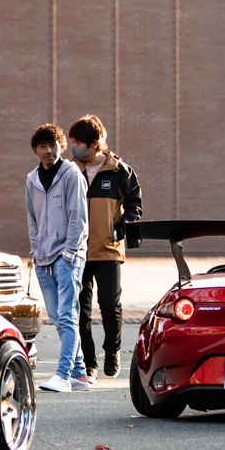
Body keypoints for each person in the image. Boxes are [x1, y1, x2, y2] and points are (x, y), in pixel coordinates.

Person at [68, 115, 142, 378]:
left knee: (110, 304)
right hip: (76, 251)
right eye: (73, 142)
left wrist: (121, 226)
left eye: (78, 142)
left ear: (95, 143)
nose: (74, 147)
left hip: (108, 249)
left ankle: (112, 352)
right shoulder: (69, 170)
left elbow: (134, 206)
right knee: (80, 309)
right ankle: (89, 363)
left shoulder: (120, 171)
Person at [26, 123, 90, 392]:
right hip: (42, 258)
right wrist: (35, 250)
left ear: (61, 146)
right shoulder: (32, 179)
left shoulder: (71, 174)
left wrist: (69, 253)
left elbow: (78, 217)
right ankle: (79, 374)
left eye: (53, 145)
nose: (48, 151)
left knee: (66, 315)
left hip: (68, 257)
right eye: (43, 146)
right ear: (36, 150)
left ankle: (63, 375)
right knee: (56, 315)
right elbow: (32, 219)